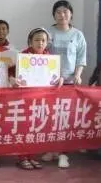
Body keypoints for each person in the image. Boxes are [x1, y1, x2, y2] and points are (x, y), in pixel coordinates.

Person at [11, 28, 64, 170]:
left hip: (41, 99)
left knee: (36, 127)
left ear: (47, 42)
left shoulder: (49, 58)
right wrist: (12, 79)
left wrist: (60, 79)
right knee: (24, 127)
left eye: (43, 40)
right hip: (24, 98)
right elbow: (10, 72)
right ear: (30, 41)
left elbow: (55, 75)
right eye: (37, 40)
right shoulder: (23, 56)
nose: (40, 43)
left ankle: (32, 156)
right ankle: (22, 157)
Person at [43, 0, 87, 169]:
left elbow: (81, 58)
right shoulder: (48, 33)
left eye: (65, 11)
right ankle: (51, 149)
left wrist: (77, 75)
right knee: (49, 117)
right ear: (54, 15)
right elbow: (41, 54)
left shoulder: (77, 35)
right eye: (58, 12)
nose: (62, 15)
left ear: (71, 14)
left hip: (69, 83)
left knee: (65, 118)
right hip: (50, 83)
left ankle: (63, 154)